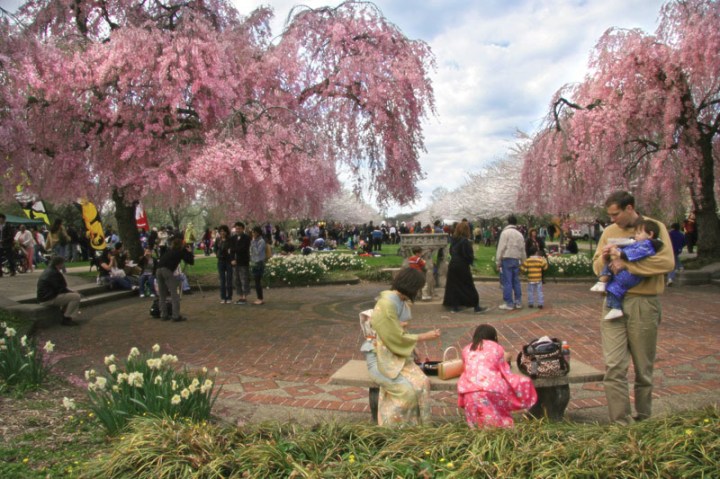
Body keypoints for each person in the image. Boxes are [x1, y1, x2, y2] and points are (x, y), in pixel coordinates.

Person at [593, 191, 674, 425]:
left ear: (630, 208)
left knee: (643, 368)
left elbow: (666, 262)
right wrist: (607, 259)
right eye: (610, 215)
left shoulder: (653, 227)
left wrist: (627, 263)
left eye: (616, 214)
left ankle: (644, 420)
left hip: (643, 303)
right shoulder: (609, 233)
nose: (613, 219)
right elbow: (597, 266)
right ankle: (620, 423)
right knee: (614, 366)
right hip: (612, 302)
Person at [367, 267, 441, 426]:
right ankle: (391, 427)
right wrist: (424, 337)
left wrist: (413, 348)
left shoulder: (398, 300)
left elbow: (398, 332)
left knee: (422, 383)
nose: (419, 292)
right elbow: (394, 336)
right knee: (406, 393)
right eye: (418, 288)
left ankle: (414, 427)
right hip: (381, 357)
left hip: (395, 353)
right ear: (411, 286)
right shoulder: (387, 303)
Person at [456, 324, 537, 428]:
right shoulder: (497, 348)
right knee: (499, 421)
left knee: (477, 424)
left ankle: (480, 441)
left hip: (470, 391)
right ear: (494, 337)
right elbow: (503, 370)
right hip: (493, 389)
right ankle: (503, 438)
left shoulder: (467, 349)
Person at [590, 220, 665, 320]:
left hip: (631, 277)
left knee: (613, 283)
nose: (636, 236)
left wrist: (618, 253)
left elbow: (634, 254)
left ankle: (603, 282)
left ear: (650, 234)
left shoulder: (647, 245)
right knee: (613, 288)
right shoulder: (641, 243)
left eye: (638, 233)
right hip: (628, 277)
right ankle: (615, 308)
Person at [443, 221, 488, 313]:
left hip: (453, 264)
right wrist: (471, 261)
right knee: (468, 285)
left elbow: (451, 252)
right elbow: (468, 255)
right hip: (462, 265)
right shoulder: (465, 241)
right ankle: (476, 306)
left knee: (454, 285)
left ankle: (455, 306)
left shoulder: (454, 240)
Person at [156, 237, 195, 322]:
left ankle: (163, 314)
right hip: (167, 270)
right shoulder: (180, 251)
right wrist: (190, 252)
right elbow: (191, 261)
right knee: (174, 294)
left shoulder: (169, 251)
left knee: (162, 294)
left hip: (158, 269)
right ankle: (175, 316)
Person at [37, 256, 82, 326]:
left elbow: (59, 288)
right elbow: (60, 288)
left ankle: (64, 313)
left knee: (69, 296)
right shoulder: (54, 273)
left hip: (44, 297)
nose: (64, 265)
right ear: (59, 264)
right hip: (48, 299)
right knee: (76, 297)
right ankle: (67, 317)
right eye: (63, 263)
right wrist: (72, 292)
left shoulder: (49, 271)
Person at [496, 215, 527, 311]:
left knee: (507, 281)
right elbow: (522, 249)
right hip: (516, 259)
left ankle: (509, 303)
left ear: (508, 222)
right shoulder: (519, 234)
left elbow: (501, 247)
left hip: (507, 258)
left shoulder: (505, 233)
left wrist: (498, 261)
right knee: (516, 281)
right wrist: (523, 260)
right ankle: (518, 301)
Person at [231, 222, 251, 304]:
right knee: (236, 280)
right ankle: (240, 296)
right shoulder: (233, 238)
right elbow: (231, 250)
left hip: (243, 261)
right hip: (234, 262)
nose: (237, 230)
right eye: (236, 228)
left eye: (239, 228)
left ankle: (244, 297)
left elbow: (243, 249)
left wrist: (234, 249)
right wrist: (232, 259)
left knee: (244, 279)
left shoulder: (246, 238)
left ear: (243, 229)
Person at [215, 225, 234, 304]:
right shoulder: (218, 240)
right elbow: (215, 249)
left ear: (226, 232)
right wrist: (217, 254)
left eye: (224, 231)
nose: (222, 232)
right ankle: (223, 297)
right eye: (221, 231)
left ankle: (229, 297)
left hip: (228, 261)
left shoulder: (230, 240)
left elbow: (232, 250)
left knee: (229, 280)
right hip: (221, 261)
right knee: (222, 280)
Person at [249, 225, 267, 305]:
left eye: (254, 232)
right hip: (254, 262)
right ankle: (259, 298)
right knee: (256, 282)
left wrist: (253, 243)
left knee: (257, 282)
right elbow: (252, 252)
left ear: (258, 233)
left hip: (259, 263)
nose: (253, 234)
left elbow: (257, 252)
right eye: (252, 232)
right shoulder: (255, 240)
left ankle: (260, 298)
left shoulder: (261, 241)